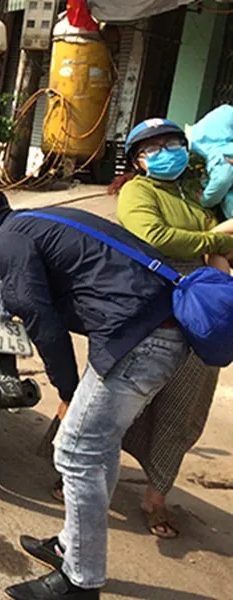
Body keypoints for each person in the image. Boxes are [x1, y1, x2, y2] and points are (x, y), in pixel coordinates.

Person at [0, 176, 190, 599]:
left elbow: (43, 324)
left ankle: (80, 581)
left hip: (139, 341)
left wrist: (67, 392)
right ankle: (71, 546)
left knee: (75, 450)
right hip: (154, 333)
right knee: (97, 445)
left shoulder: (9, 242)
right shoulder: (33, 222)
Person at [111, 118, 233, 538]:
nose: (166, 153)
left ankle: (156, 496)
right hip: (149, 305)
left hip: (200, 311)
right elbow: (154, 236)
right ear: (137, 161)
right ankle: (75, 470)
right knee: (119, 396)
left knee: (183, 404)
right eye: (153, 148)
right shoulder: (137, 192)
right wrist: (217, 240)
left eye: (172, 143)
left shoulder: (197, 194)